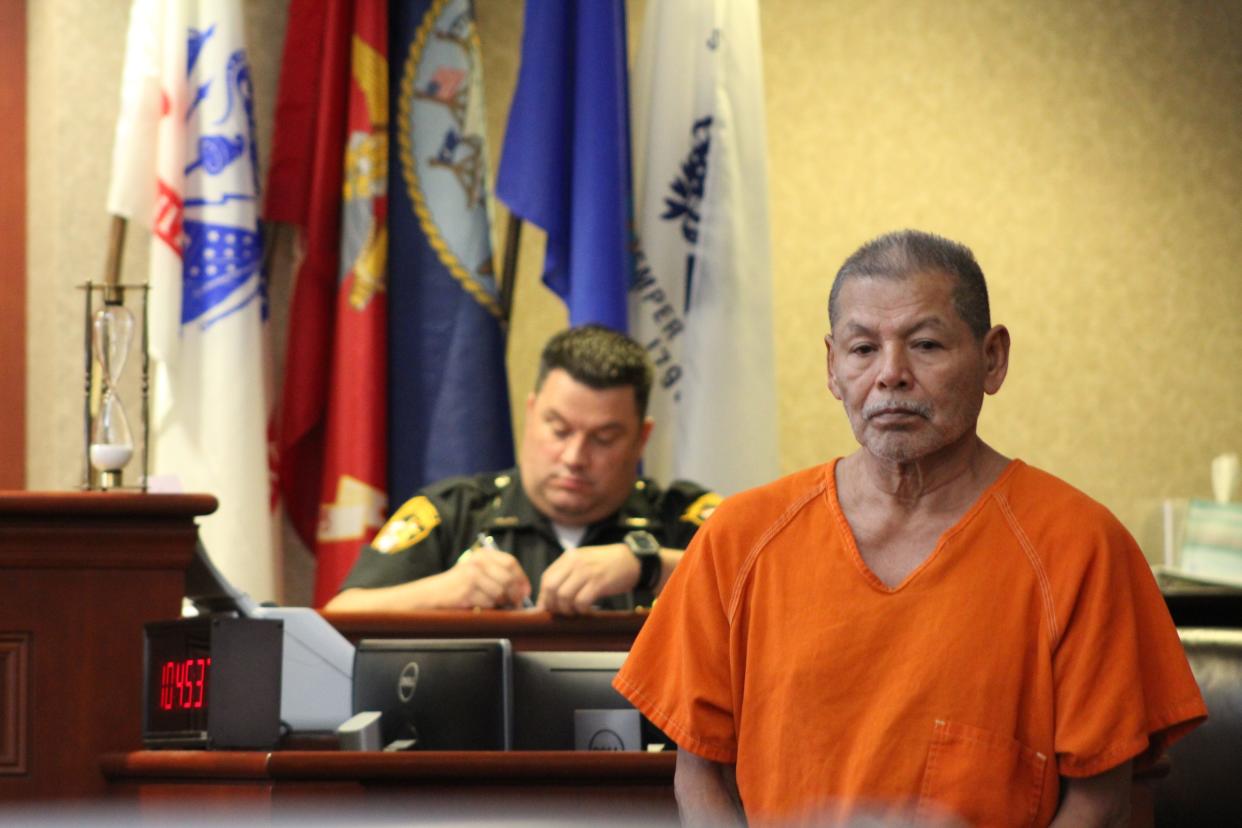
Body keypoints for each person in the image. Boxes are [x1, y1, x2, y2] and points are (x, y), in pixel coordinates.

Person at [614, 230, 1206, 826]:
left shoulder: (1081, 546)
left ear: (992, 359)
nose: (890, 374)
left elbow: (1100, 802)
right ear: (832, 367)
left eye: (924, 344)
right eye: (863, 349)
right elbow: (700, 774)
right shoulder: (740, 537)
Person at [325, 325, 720, 615]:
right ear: (531, 414)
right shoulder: (456, 512)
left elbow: (774, 588)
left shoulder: (680, 517)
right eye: (559, 429)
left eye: (603, 438)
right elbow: (341, 615)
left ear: (641, 438)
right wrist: (444, 590)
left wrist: (649, 565)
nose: (574, 456)